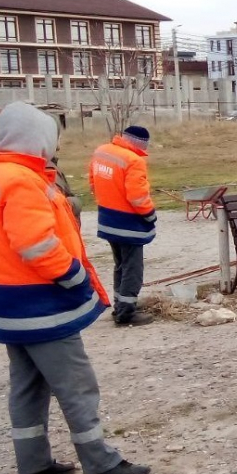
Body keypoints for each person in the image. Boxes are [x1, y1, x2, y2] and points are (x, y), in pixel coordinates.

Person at [0, 102, 150, 474]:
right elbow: (36, 244)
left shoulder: (1, 174)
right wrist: (74, 275)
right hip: (40, 304)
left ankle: (34, 465)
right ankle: (100, 463)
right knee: (76, 384)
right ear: (36, 139)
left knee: (27, 384)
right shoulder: (22, 180)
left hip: (8, 304)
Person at [89, 126, 157, 326]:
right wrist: (150, 215)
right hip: (128, 224)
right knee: (132, 268)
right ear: (141, 143)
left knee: (119, 265)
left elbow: (93, 182)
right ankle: (126, 313)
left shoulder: (102, 151)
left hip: (108, 219)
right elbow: (137, 197)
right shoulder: (134, 161)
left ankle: (120, 305)